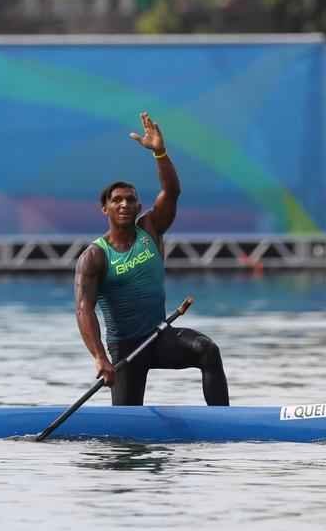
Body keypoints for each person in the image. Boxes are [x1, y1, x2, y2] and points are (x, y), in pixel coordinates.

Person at [74, 111, 230, 406]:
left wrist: (160, 152)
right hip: (126, 348)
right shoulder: (94, 256)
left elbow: (172, 191)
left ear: (139, 206)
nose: (124, 204)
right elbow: (84, 309)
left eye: (130, 199)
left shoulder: (151, 228)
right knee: (124, 436)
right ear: (104, 209)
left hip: (159, 337)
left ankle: (223, 421)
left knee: (207, 349)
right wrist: (100, 358)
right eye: (116, 200)